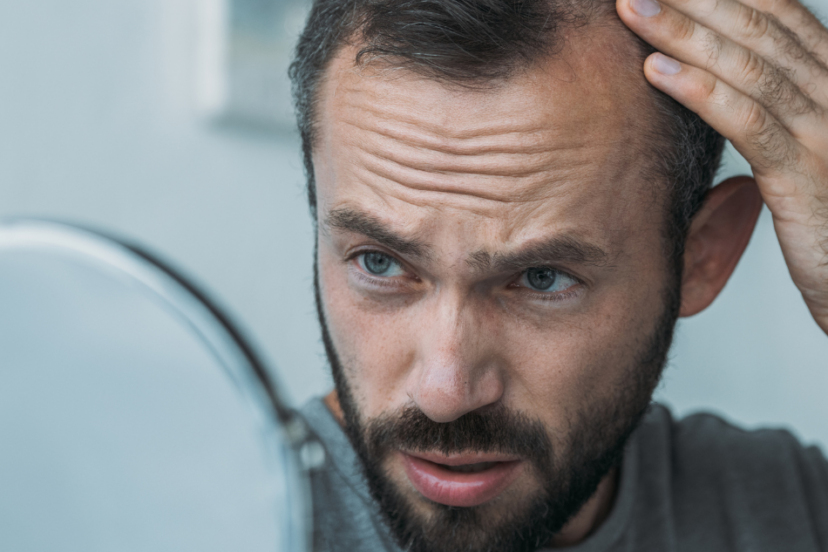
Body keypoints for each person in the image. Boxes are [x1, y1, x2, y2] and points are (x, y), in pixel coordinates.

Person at [288, 0, 828, 550]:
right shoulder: (218, 517)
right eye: (379, 262)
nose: (445, 393)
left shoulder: (794, 511)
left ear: (702, 257)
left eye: (542, 278)